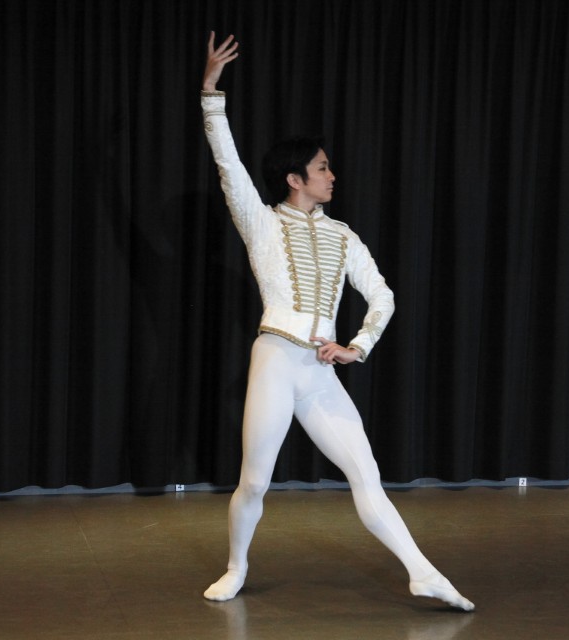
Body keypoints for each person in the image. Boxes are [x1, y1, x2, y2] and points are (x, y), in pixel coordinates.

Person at [200, 32, 474, 612]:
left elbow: (382, 295)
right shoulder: (262, 222)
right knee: (255, 481)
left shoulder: (343, 236)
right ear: (294, 178)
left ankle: (421, 572)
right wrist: (211, 93)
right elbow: (228, 163)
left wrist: (358, 345)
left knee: (366, 474)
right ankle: (236, 565)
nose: (332, 175)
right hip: (276, 360)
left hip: (319, 372)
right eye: (322, 168)